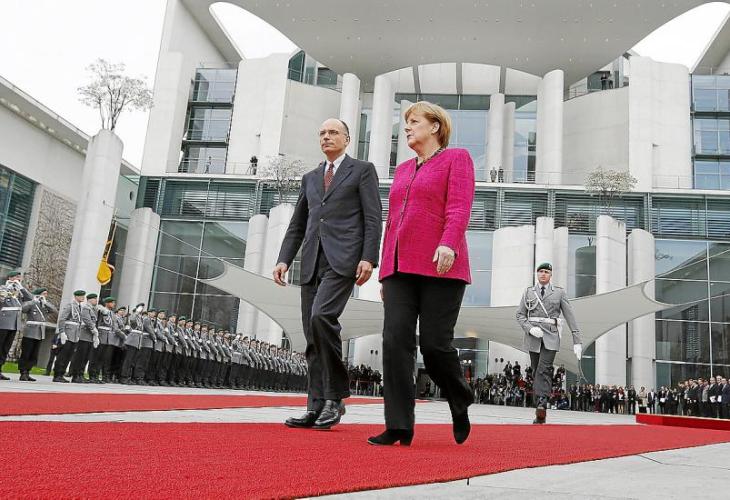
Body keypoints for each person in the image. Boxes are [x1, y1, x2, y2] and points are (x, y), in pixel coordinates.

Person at [368, 101, 475, 446]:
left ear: (435, 126)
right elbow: (392, 222)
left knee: (434, 345)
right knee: (394, 341)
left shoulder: (456, 158)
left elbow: (459, 206)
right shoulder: (402, 170)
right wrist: (385, 270)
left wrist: (448, 243)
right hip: (399, 269)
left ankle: (459, 395)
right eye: (406, 122)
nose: (407, 128)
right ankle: (399, 425)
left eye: (414, 121)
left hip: (441, 264)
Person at [274, 117, 382, 430]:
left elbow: (373, 218)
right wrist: (283, 259)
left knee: (322, 317)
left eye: (333, 132)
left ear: (347, 139)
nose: (326, 137)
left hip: (343, 260)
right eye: (322, 133)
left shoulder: (362, 171)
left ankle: (335, 399)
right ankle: (315, 406)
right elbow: (298, 224)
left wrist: (368, 258)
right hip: (311, 261)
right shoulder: (310, 178)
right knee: (312, 334)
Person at [517, 262, 581, 424]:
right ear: (537, 274)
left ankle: (541, 403)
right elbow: (520, 315)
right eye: (540, 271)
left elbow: (570, 316)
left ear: (551, 274)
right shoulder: (528, 292)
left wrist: (577, 340)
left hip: (551, 335)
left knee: (543, 368)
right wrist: (530, 329)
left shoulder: (559, 292)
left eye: (546, 271)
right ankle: (540, 406)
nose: (543, 274)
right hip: (533, 336)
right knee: (535, 370)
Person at [18, 287, 57, 381]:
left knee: (34, 354)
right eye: (44, 294)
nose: (45, 295)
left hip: (40, 332)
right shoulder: (32, 303)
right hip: (30, 331)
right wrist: (33, 301)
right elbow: (23, 309)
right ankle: (23, 372)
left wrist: (45, 302)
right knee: (26, 352)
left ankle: (28, 371)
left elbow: (54, 310)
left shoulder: (44, 305)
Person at [0, 270, 33, 379]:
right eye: (16, 278)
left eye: (19, 278)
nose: (18, 280)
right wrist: (8, 288)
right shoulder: (3, 288)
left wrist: (21, 287)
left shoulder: (19, 290)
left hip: (14, 323)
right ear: (10, 278)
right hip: (3, 321)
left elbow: (30, 298)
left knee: (6, 347)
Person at [53, 290, 86, 383]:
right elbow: (62, 319)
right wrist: (62, 332)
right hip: (67, 334)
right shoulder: (70, 306)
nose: (83, 297)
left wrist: (78, 334)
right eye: (81, 296)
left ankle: (61, 374)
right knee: (62, 355)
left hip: (74, 335)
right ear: (76, 296)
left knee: (68, 356)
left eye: (83, 296)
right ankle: (57, 375)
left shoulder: (80, 307)